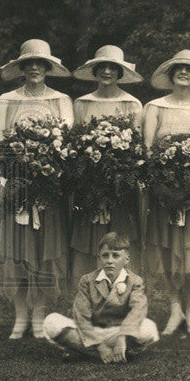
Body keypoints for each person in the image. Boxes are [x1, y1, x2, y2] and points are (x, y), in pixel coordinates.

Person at [0, 39, 74, 339]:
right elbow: (1, 146)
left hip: (47, 187)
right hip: (14, 185)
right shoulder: (6, 100)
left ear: (49, 67)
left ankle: (39, 313)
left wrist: (45, 180)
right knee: (16, 251)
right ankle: (20, 316)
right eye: (28, 63)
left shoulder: (61, 100)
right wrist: (12, 182)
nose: (34, 68)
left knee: (44, 252)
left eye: (40, 63)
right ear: (21, 68)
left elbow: (65, 146)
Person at [141, 49, 190, 336]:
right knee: (167, 249)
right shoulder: (154, 107)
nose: (183, 73)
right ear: (171, 75)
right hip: (164, 191)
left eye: (189, 69)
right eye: (178, 69)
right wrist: (165, 178)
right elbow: (148, 149)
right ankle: (175, 308)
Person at [69, 45, 144, 287]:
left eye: (113, 68)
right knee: (91, 239)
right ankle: (91, 294)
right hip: (90, 185)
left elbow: (136, 147)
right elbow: (76, 144)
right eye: (102, 67)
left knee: (119, 238)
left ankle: (122, 294)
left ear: (120, 72)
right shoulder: (82, 103)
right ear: (95, 71)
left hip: (120, 186)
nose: (107, 72)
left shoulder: (132, 104)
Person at [43, 232, 159, 362]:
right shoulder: (88, 280)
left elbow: (137, 310)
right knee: (51, 321)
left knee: (149, 328)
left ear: (127, 259)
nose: (110, 260)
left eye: (115, 256)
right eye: (105, 256)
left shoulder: (135, 281)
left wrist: (122, 337)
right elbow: (81, 315)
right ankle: (104, 354)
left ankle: (82, 351)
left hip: (119, 331)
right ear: (99, 258)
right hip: (91, 331)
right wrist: (100, 345)